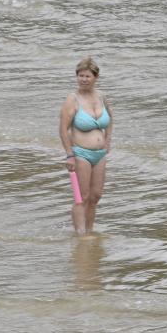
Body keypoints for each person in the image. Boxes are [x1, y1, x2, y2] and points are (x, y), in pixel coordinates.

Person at [57, 58, 113, 234]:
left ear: (95, 77)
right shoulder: (72, 100)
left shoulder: (101, 96)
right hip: (81, 153)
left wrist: (108, 141)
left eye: (87, 76)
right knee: (82, 197)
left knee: (96, 196)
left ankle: (89, 230)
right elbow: (63, 129)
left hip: (100, 154)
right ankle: (81, 235)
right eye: (80, 76)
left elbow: (110, 120)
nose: (83, 79)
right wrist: (69, 154)